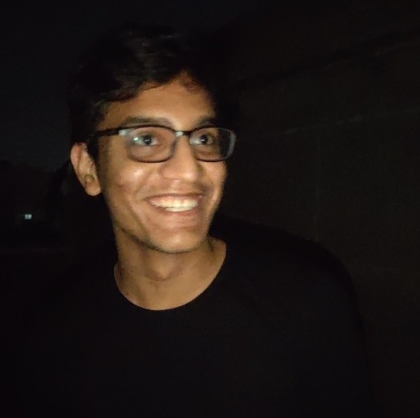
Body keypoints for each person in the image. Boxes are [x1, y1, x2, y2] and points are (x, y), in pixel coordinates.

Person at [6, 23, 375, 416]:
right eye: (147, 139)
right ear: (88, 169)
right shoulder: (53, 330)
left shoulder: (309, 302)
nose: (189, 170)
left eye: (203, 139)